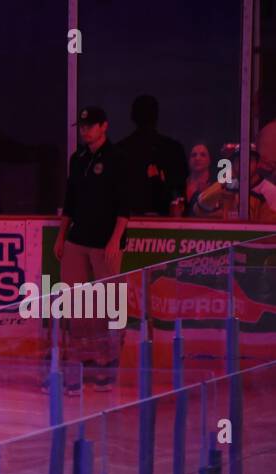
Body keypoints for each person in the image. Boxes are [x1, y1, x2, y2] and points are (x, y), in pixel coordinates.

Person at [54, 105, 132, 391]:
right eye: (83, 126)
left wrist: (115, 240)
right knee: (75, 301)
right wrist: (61, 236)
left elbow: (125, 205)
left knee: (106, 305)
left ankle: (107, 363)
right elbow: (70, 201)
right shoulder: (78, 159)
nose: (85, 130)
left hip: (105, 241)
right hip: (78, 238)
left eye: (91, 125)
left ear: (104, 126)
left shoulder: (118, 158)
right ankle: (82, 360)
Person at [117, 94, 187, 217]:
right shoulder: (173, 149)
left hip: (130, 220)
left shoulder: (120, 150)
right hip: (165, 221)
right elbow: (179, 191)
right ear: (157, 117)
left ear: (132, 117)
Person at [183, 142, 218, 218]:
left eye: (203, 155)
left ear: (209, 160)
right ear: (189, 160)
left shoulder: (216, 187)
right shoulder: (179, 186)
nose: (197, 158)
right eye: (193, 155)